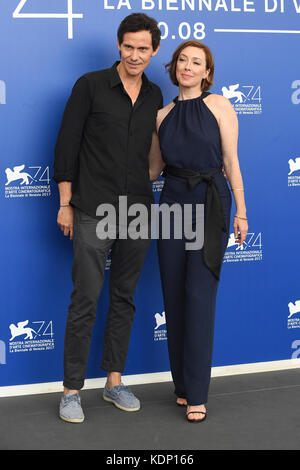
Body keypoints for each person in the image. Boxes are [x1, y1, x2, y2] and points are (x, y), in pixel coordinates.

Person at [53, 13, 162, 423]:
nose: (135, 55)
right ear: (119, 45)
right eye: (129, 46)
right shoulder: (91, 85)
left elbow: (153, 155)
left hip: (137, 210)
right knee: (85, 297)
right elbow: (67, 144)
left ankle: (114, 381)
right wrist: (65, 202)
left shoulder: (153, 94)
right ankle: (71, 391)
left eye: (143, 48)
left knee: (125, 298)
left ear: (154, 51)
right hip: (91, 208)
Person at [149, 40, 248, 423]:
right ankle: (182, 386)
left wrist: (241, 211)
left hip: (210, 202)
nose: (188, 66)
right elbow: (154, 170)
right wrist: (110, 179)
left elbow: (230, 160)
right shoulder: (161, 115)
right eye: (182, 61)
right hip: (172, 202)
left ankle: (198, 394)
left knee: (199, 294)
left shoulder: (220, 105)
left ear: (207, 73)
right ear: (174, 68)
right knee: (173, 294)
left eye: (197, 62)